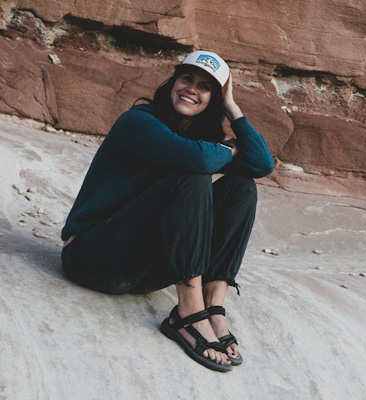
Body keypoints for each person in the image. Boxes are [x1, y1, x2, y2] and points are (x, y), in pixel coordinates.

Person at [60, 50, 275, 372]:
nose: (192, 88)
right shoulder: (139, 121)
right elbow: (199, 161)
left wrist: (232, 106)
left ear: (212, 99)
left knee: (240, 188)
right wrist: (227, 148)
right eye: (186, 78)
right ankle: (188, 314)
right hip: (93, 258)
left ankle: (213, 307)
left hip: (142, 271)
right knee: (191, 176)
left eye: (205, 87)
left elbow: (261, 165)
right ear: (173, 82)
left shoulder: (203, 141)